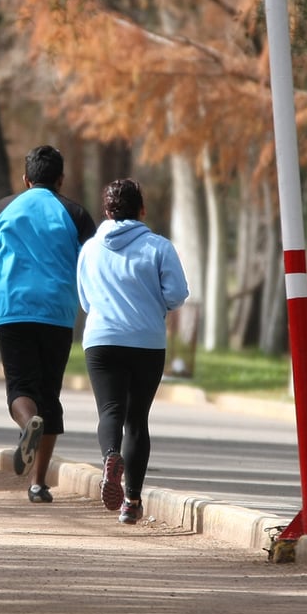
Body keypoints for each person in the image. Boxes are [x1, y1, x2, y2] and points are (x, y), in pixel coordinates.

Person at [0, 145, 96, 504]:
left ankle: (28, 425)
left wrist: (8, 270)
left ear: (26, 179)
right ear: (60, 179)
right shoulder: (75, 212)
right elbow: (92, 258)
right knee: (49, 393)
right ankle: (39, 484)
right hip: (57, 312)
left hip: (13, 309)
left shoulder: (2, 209)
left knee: (21, 387)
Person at [76, 178, 189, 524]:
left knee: (110, 411)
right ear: (142, 210)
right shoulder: (158, 247)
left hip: (101, 340)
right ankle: (132, 502)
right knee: (136, 420)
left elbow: (84, 300)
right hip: (146, 341)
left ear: (106, 211)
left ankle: (111, 456)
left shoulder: (90, 249)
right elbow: (177, 294)